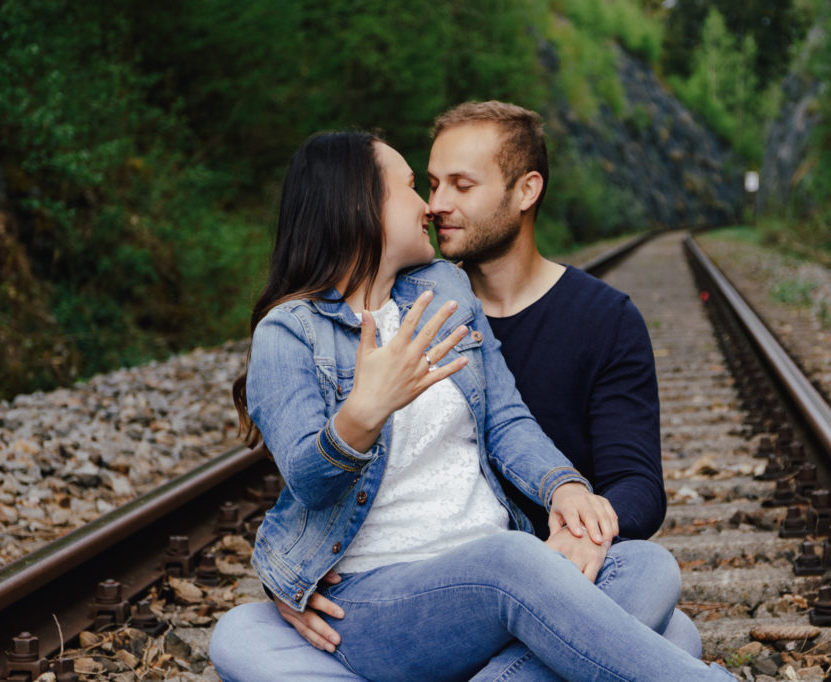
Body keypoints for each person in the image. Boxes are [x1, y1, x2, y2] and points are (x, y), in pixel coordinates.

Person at [209, 130, 733, 681]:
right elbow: (309, 482)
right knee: (617, 613)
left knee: (648, 568)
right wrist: (361, 415)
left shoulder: (443, 290)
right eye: (415, 187)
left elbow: (505, 419)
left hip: (497, 582)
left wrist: (564, 486)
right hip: (377, 599)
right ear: (361, 204)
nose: (429, 207)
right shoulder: (291, 333)